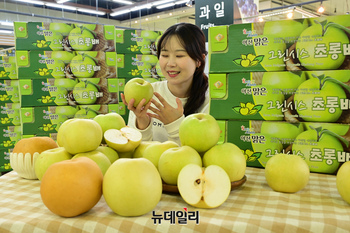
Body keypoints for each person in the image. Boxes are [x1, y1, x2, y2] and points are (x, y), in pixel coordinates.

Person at [121, 22, 209, 146]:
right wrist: (142, 123)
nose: (170, 63)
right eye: (165, 55)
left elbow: (198, 154)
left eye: (179, 55)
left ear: (199, 60)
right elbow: (135, 151)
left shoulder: (211, 100)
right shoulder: (149, 94)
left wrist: (174, 124)